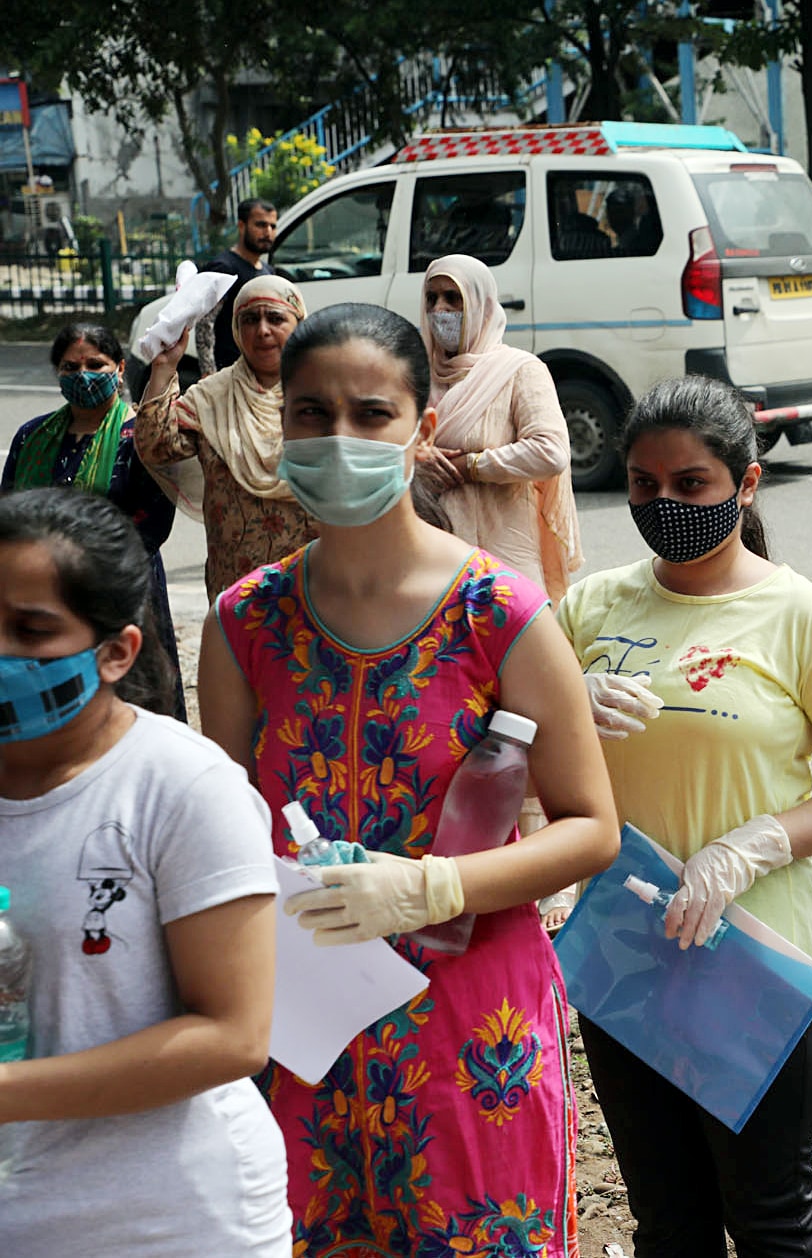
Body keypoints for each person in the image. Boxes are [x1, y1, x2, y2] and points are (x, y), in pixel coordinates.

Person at [197, 303, 621, 1256]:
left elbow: (591, 826)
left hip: (474, 1023)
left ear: (422, 429)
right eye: (310, 414)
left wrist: (431, 885)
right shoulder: (245, 621)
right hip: (300, 1016)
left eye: (371, 414)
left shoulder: (500, 613)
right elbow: (214, 822)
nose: (338, 437)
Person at [559, 375, 812, 1258]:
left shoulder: (807, 617)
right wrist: (559, 710)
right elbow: (502, 744)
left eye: (691, 484)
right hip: (622, 948)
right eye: (643, 484)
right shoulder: (592, 607)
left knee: (771, 1213)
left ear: (746, 485)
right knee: (666, 1220)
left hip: (754, 955)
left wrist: (755, 845)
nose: (664, 502)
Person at [0, 488, 287, 1257]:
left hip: (167, 1222)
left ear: (117, 651)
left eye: (30, 632)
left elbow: (232, 1036)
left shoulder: (180, 787)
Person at [3, 324, 183, 718]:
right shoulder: (31, 437)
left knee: (129, 704)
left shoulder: (139, 436)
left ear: (119, 369)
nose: (82, 375)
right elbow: (10, 513)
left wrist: (90, 572)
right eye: (70, 367)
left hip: (122, 590)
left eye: (95, 364)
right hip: (42, 591)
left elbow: (152, 522)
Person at [134, 274, 316, 600]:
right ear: (235, 328)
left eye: (275, 318)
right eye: (250, 319)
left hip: (311, 582)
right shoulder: (213, 397)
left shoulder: (325, 393)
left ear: (299, 324)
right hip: (234, 583)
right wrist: (164, 366)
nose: (262, 330)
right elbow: (155, 446)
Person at [415, 254, 582, 600]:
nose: (440, 310)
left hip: (505, 557)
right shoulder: (414, 376)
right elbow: (387, 446)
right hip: (432, 560)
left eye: (453, 298)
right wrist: (418, 461)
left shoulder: (519, 370)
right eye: (432, 298)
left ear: (481, 304)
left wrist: (472, 466)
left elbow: (549, 452)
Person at [196, 198, 278, 376]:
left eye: (272, 226)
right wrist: (209, 374)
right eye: (261, 225)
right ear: (241, 226)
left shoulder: (268, 272)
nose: (268, 232)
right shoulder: (224, 268)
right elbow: (205, 324)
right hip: (228, 373)